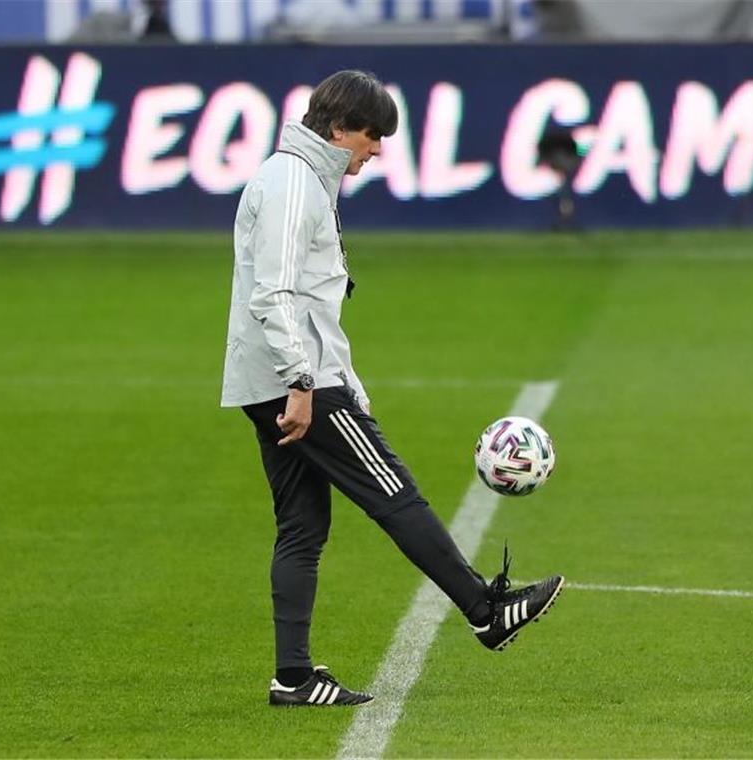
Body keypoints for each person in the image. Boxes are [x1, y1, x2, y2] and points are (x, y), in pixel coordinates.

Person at [220, 70, 564, 707]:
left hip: (277, 378)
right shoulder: (295, 181)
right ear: (338, 126)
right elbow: (275, 293)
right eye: (372, 135)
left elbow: (313, 301)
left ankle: (292, 678)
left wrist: (345, 380)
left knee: (301, 526)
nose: (376, 149)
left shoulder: (297, 177)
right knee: (395, 496)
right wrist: (303, 382)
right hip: (298, 383)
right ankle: (486, 611)